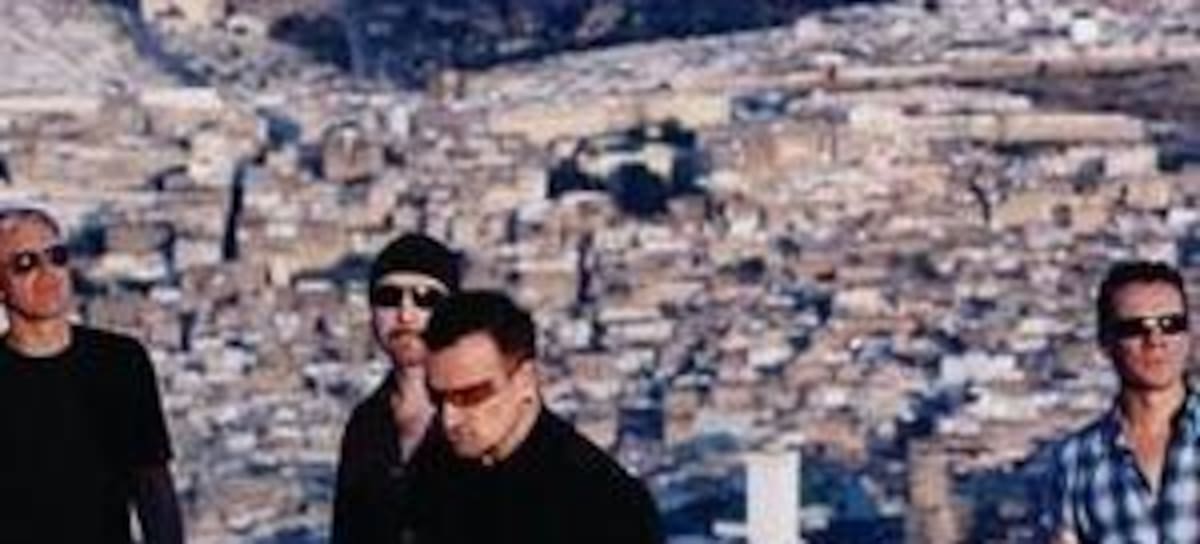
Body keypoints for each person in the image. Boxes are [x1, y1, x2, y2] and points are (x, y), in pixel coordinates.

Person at [419, 290, 663, 544]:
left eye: (470, 396)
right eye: (437, 396)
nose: (449, 419)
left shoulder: (605, 506)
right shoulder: (434, 472)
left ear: (525, 380)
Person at [0, 205, 182, 543]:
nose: (48, 273)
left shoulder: (121, 362)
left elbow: (153, 485)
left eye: (56, 256)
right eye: (25, 263)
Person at [1044, 260, 1200, 542]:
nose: (1155, 340)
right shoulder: (1076, 461)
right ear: (1106, 342)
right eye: (1135, 328)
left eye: (1171, 325)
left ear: (1189, 335)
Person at [331, 233, 461, 544]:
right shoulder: (365, 425)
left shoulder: (489, 416)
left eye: (426, 298)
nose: (405, 315)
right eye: (389, 297)